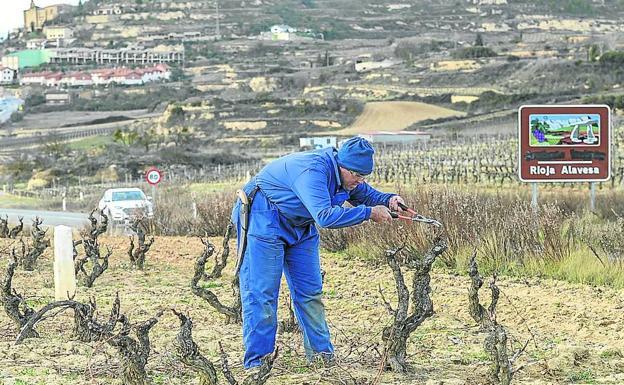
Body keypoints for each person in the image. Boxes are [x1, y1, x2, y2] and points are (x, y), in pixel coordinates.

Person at [231, 136, 406, 370]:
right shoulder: (313, 171)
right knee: (262, 293)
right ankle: (257, 363)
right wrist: (369, 213)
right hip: (264, 216)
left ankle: (322, 357)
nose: (360, 181)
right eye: (356, 175)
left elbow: (364, 194)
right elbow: (325, 216)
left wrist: (388, 199)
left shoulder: (347, 176)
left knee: (310, 292)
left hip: (300, 224)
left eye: (364, 176)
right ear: (342, 165)